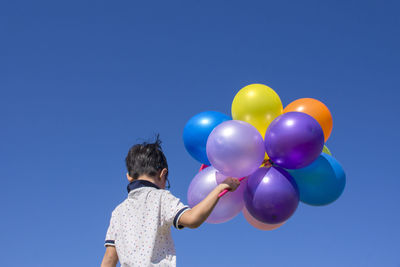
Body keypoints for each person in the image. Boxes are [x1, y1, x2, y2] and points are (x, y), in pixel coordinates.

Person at [100, 136, 240, 267]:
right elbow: (193, 219)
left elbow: (109, 258)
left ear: (129, 177)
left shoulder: (118, 211)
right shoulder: (161, 197)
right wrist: (220, 188)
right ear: (163, 174)